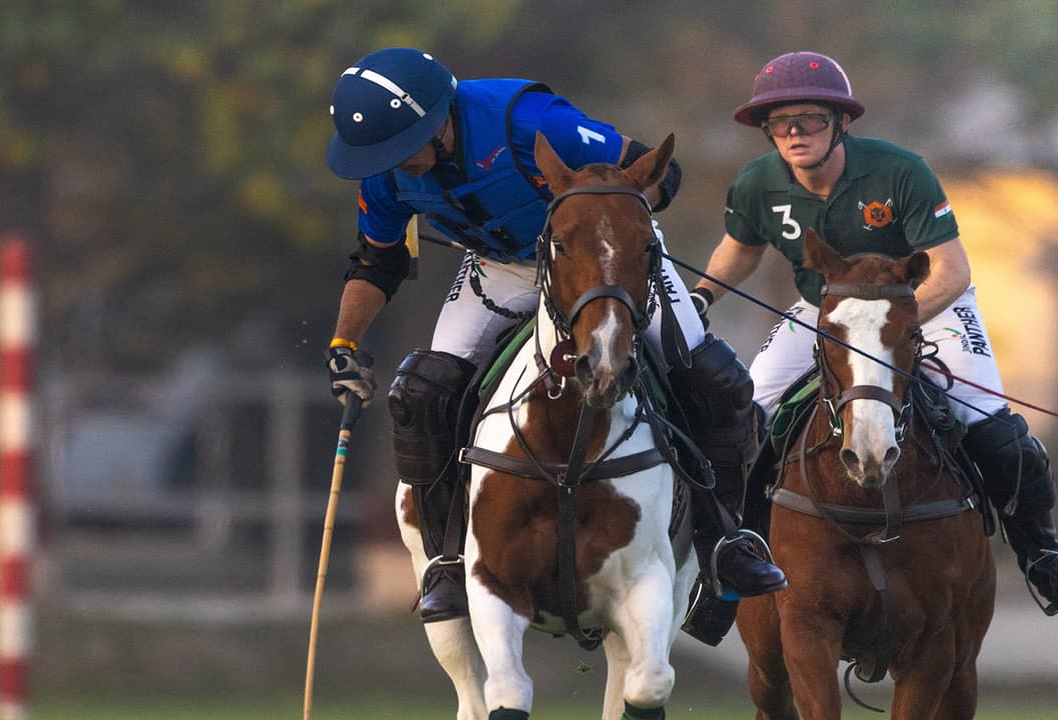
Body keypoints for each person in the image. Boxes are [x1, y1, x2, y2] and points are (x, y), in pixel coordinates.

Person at [322, 48, 785, 627]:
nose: (392, 162)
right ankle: (444, 559)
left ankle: (728, 543)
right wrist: (344, 345)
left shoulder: (529, 122)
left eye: (398, 146)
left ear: (438, 118)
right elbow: (376, 262)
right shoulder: (388, 174)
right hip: (500, 266)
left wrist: (614, 232)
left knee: (711, 376)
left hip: (601, 256)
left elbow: (657, 169)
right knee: (424, 391)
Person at [689, 51, 1058, 616]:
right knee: (744, 414)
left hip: (926, 308)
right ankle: (735, 556)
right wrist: (701, 296)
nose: (793, 132)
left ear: (842, 123)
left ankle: (1043, 556)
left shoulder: (900, 172)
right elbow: (741, 248)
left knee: (990, 423)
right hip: (824, 311)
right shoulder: (758, 182)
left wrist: (891, 330)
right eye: (779, 122)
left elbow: (952, 271)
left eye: (809, 118)